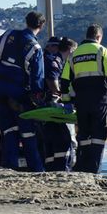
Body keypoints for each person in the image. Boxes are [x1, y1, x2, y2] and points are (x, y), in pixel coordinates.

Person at [0, 11, 46, 172]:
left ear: (26, 21)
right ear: (41, 26)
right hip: (19, 94)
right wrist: (38, 98)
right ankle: (36, 168)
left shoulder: (8, 35)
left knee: (8, 130)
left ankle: (10, 166)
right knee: (27, 132)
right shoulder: (35, 48)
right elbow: (37, 78)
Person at [60, 24, 107, 174]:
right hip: (100, 100)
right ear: (98, 37)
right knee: (98, 136)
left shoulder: (74, 54)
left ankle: (84, 168)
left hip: (81, 102)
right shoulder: (102, 51)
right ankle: (94, 169)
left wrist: (67, 101)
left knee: (84, 136)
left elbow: (64, 80)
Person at [42, 37, 77, 171]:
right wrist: (66, 96)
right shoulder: (55, 62)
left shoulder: (59, 62)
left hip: (53, 106)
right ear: (69, 50)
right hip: (54, 106)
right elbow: (54, 85)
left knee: (55, 139)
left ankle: (54, 167)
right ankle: (63, 168)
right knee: (64, 139)